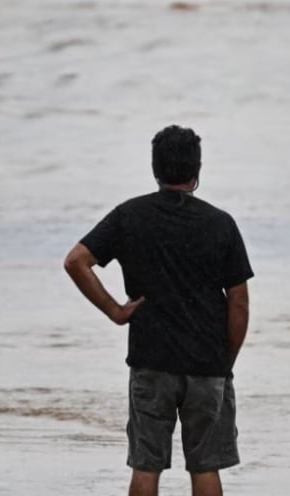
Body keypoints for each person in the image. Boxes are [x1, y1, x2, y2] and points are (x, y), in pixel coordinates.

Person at [63, 125, 253, 496]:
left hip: (151, 361)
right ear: (197, 171)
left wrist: (115, 310)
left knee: (146, 467)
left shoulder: (129, 215)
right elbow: (240, 301)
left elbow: (76, 262)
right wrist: (226, 358)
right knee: (206, 467)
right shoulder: (220, 224)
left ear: (155, 169)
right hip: (207, 363)